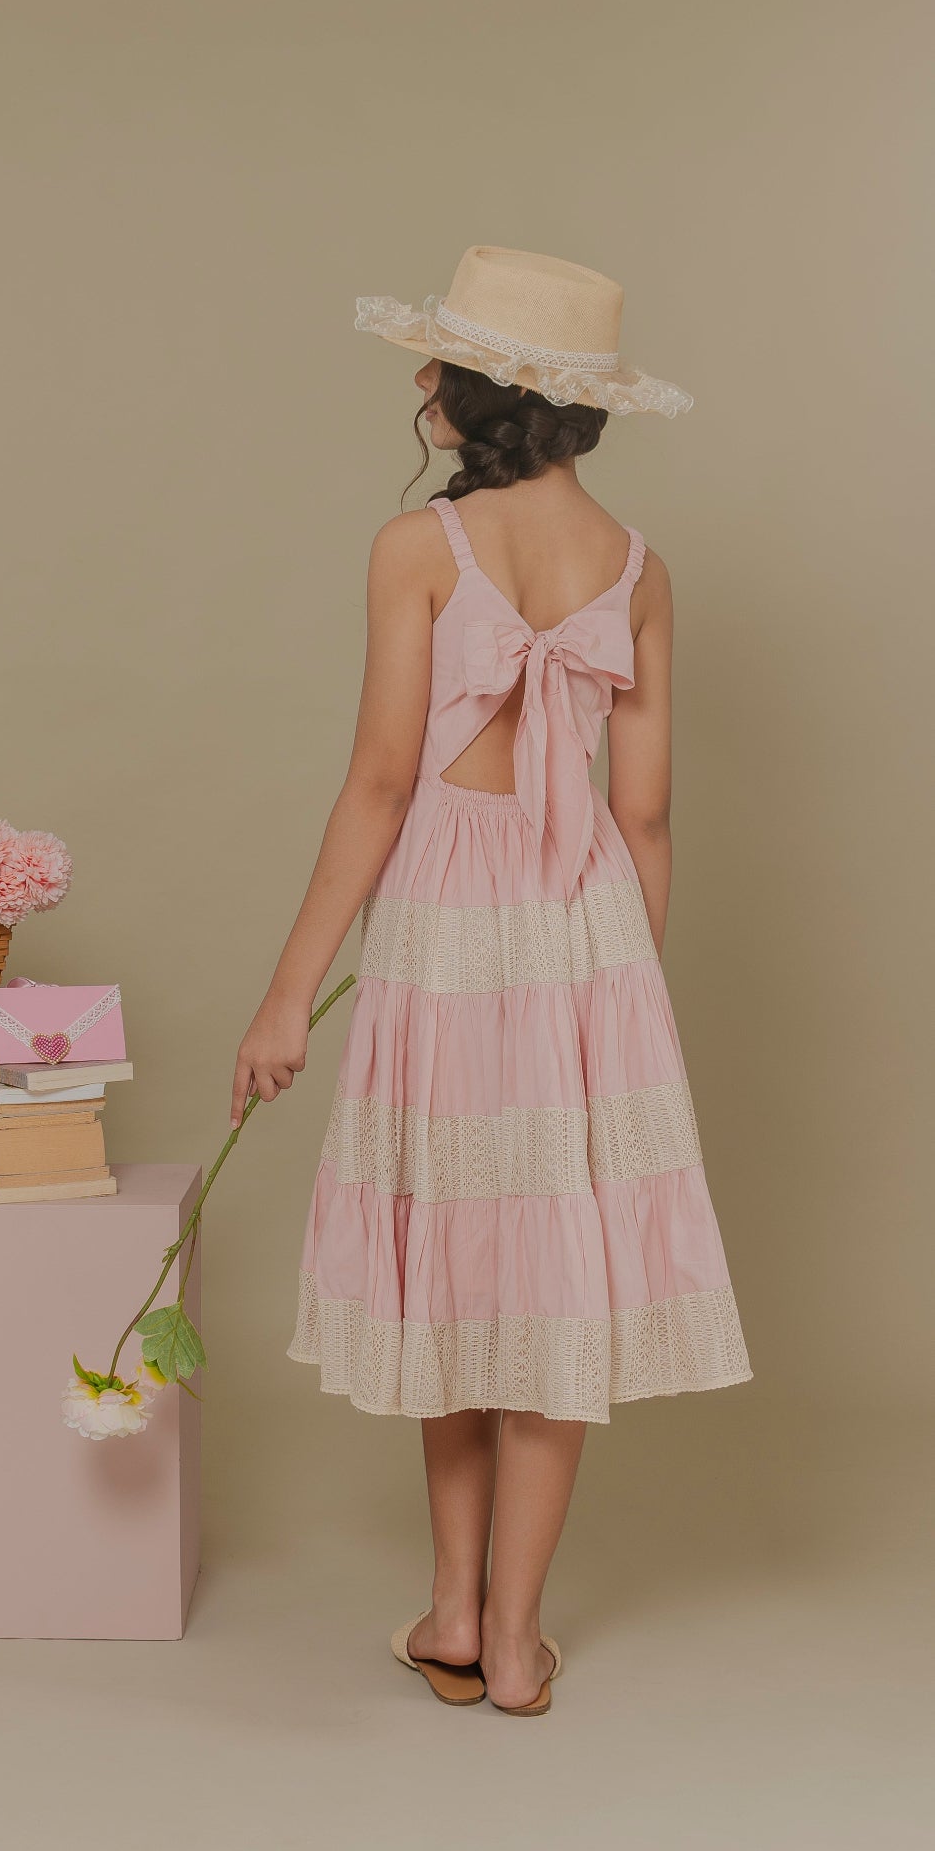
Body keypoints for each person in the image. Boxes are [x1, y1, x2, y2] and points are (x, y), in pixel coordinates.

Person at [230, 247, 752, 1716]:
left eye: (438, 362)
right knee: (555, 1276)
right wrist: (625, 999)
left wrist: (288, 996)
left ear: (481, 392)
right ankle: (508, 1635)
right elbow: (646, 815)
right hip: (588, 929)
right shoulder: (640, 571)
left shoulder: (419, 549)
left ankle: (453, 1607)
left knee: (455, 1254)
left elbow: (382, 781)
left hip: (452, 924)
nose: (419, 383)